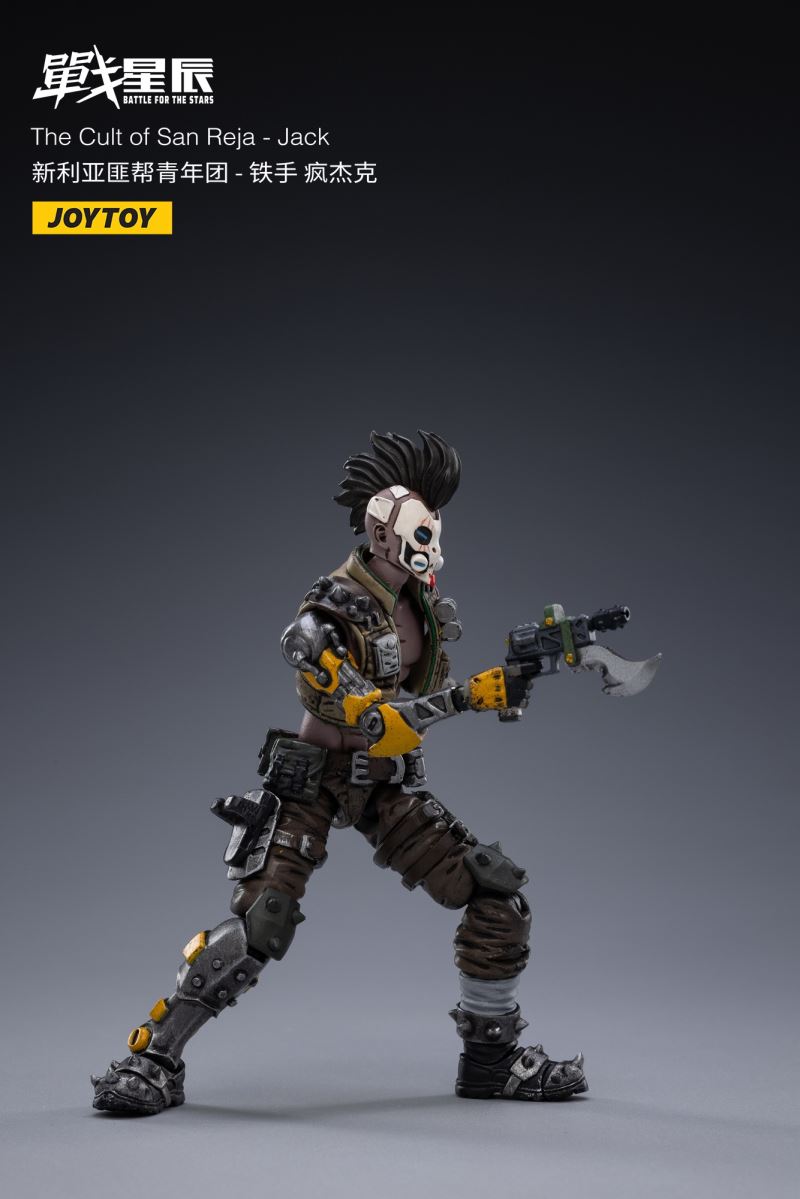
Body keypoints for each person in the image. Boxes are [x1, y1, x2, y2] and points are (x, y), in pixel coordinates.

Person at [92, 430, 587, 1115]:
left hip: (386, 784)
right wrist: (468, 697)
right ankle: (152, 1057)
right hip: (313, 780)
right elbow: (370, 707)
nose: (430, 545)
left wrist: (503, 684)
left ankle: (490, 1061)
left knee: (499, 899)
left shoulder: (421, 606)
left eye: (434, 530)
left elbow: (407, 718)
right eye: (419, 531)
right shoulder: (330, 606)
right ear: (382, 533)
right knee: (262, 921)